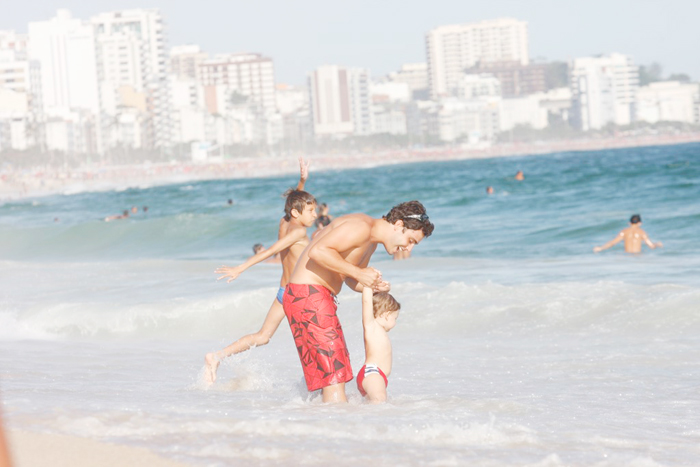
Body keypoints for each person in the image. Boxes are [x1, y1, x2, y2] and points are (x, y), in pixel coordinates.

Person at [282, 200, 434, 403]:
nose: (408, 247)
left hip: (313, 297)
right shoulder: (361, 227)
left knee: (335, 377)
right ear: (398, 224)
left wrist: (372, 285)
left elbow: (349, 278)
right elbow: (318, 251)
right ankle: (343, 429)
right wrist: (359, 273)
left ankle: (323, 427)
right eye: (411, 240)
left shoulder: (370, 241)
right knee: (335, 380)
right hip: (308, 296)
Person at [205, 157, 313, 384]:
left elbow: (295, 206)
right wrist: (240, 268)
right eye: (310, 210)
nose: (314, 214)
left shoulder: (285, 223)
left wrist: (302, 182)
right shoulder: (298, 232)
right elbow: (270, 250)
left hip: (284, 290)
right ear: (297, 212)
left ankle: (216, 356)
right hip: (298, 293)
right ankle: (317, 382)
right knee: (311, 337)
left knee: (263, 337)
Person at [357, 287, 400, 403]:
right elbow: (366, 302)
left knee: (375, 404)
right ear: (386, 315)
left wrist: (382, 288)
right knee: (380, 400)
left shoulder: (380, 331)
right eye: (395, 318)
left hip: (378, 376)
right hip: (372, 373)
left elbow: (379, 300)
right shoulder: (372, 326)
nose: (395, 322)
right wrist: (368, 286)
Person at [593, 214, 663, 254]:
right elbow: (651, 246)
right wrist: (657, 244)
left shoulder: (624, 232)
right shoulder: (642, 232)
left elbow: (612, 243)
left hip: (627, 257)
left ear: (629, 223)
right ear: (640, 223)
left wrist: (601, 248)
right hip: (638, 257)